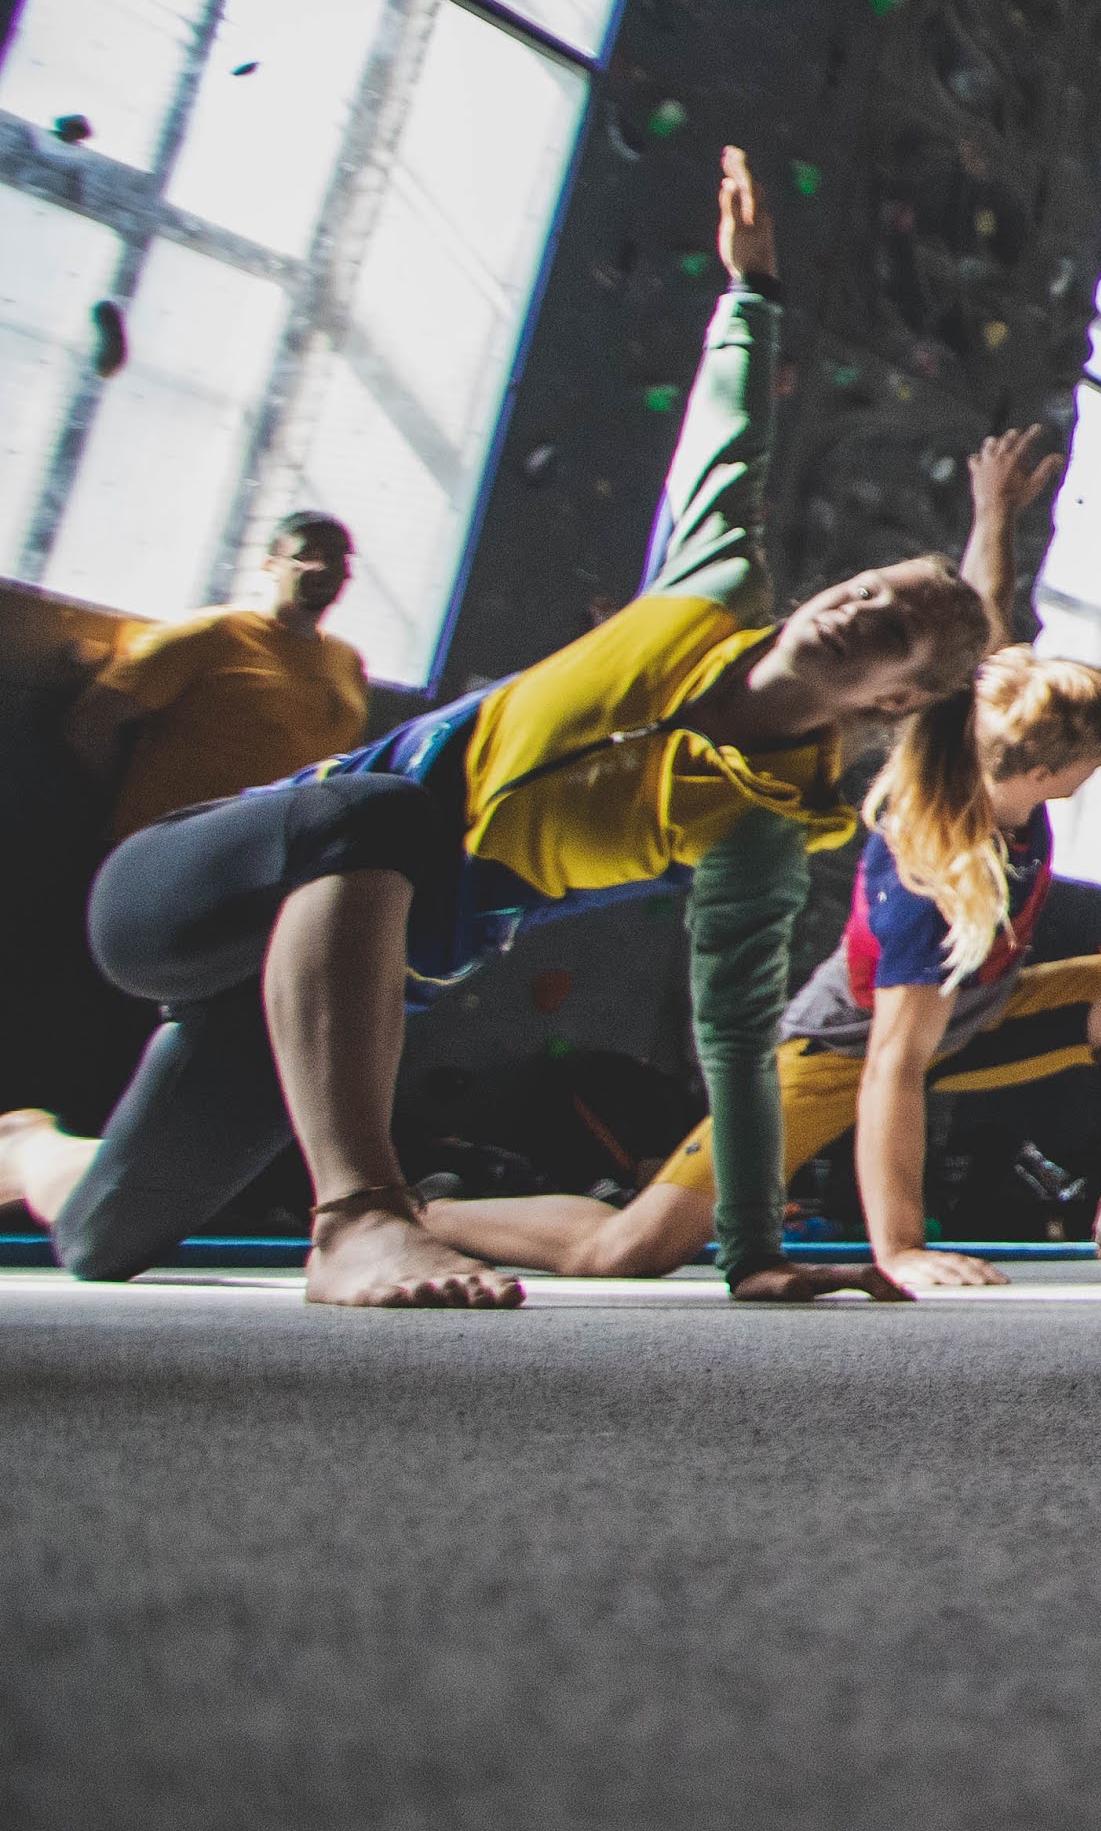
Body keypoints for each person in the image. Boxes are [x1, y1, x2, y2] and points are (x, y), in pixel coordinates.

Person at [3, 152, 985, 1308]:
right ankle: (359, 1218)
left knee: (109, 1237)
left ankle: (23, 1146)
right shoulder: (709, 591)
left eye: (894, 630)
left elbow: (735, 1036)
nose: (860, 605)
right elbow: (730, 444)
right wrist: (752, 295)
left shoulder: (766, 831)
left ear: (894, 700)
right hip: (188, 888)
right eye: (868, 585)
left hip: (352, 977)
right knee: (386, 810)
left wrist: (752, 1247)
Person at [422, 431, 1101, 1287]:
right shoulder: (934, 880)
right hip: (850, 1048)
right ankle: (429, 1212)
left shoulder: (985, 731)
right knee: (630, 1249)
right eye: (1099, 763)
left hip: (984, 1010)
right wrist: (901, 1247)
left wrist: (995, 515)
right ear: (1047, 771)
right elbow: (893, 1069)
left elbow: (984, 622)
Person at [66, 512, 370, 842]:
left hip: (267, 859)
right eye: (308, 555)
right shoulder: (210, 634)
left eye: (339, 557)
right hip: (174, 848)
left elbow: (338, 770)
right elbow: (90, 724)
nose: (324, 567)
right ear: (270, 565)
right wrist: (139, 821)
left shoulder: (347, 662)